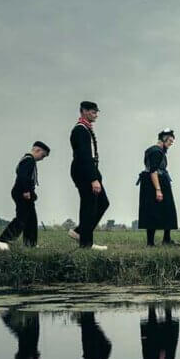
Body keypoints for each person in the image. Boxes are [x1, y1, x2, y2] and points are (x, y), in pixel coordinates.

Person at [70, 101, 109, 250]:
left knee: (102, 203)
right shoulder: (80, 130)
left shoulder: (86, 129)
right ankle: (86, 243)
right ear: (84, 111)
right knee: (88, 206)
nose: (96, 115)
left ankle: (81, 233)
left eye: (96, 112)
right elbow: (84, 156)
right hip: (84, 171)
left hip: (88, 169)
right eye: (93, 112)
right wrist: (93, 179)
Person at [0, 141, 50, 248]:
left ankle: (30, 244)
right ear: (37, 150)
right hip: (22, 193)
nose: (42, 158)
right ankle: (3, 240)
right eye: (43, 155)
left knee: (31, 219)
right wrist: (26, 191)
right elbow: (23, 176)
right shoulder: (28, 160)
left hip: (25, 193)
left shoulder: (28, 160)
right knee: (21, 218)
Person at [138, 129, 178, 247]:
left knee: (168, 210)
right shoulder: (156, 151)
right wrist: (158, 190)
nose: (171, 143)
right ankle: (150, 243)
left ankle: (167, 239)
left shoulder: (154, 150)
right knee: (152, 212)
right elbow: (153, 171)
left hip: (159, 181)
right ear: (164, 139)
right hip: (155, 183)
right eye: (170, 141)